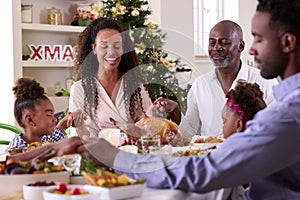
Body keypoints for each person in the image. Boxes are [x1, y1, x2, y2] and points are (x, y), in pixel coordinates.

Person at [78, 0, 300, 198]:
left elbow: (203, 172)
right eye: (212, 42)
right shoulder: (202, 85)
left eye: (259, 39)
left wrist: (115, 157)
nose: (253, 49)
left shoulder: (288, 115)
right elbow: (187, 136)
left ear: (287, 43)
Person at [153, 20, 278, 137]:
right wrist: (175, 112)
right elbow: (190, 134)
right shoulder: (201, 84)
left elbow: (275, 129)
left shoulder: (265, 82)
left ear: (240, 46)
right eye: (212, 42)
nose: (216, 48)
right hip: (208, 157)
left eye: (224, 43)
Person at [69, 17, 152, 137]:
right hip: (96, 153)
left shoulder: (136, 85)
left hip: (132, 152)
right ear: (94, 48)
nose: (111, 52)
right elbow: (79, 136)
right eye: (104, 46)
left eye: (117, 46)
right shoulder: (80, 89)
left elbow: (148, 127)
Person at [5, 77, 80, 153]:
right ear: (30, 120)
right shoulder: (15, 153)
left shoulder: (44, 139)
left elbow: (56, 137)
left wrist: (65, 123)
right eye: (49, 114)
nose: (55, 119)